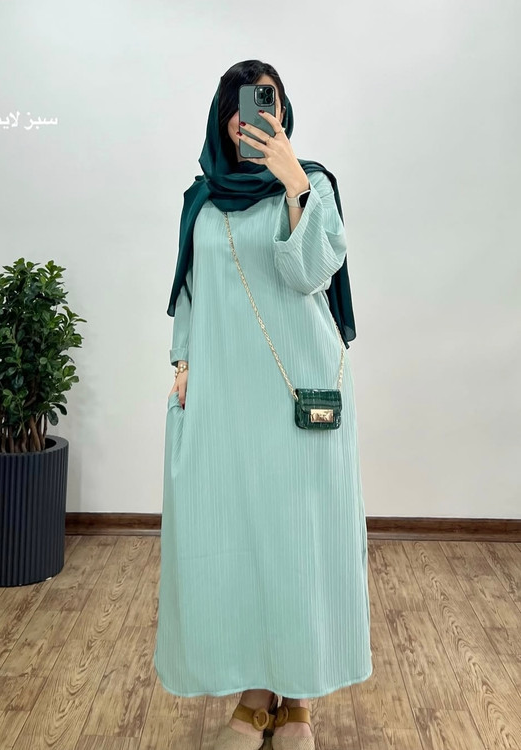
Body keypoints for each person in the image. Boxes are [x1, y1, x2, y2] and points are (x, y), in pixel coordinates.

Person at [154, 60, 373, 750]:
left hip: (297, 395)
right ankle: (254, 697)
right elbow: (190, 288)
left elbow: (308, 274)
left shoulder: (312, 183)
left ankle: (298, 702)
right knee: (239, 544)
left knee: (298, 544)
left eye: (267, 101)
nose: (252, 116)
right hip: (225, 396)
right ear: (223, 115)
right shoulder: (201, 199)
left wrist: (294, 184)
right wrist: (183, 360)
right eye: (241, 103)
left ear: (282, 111)